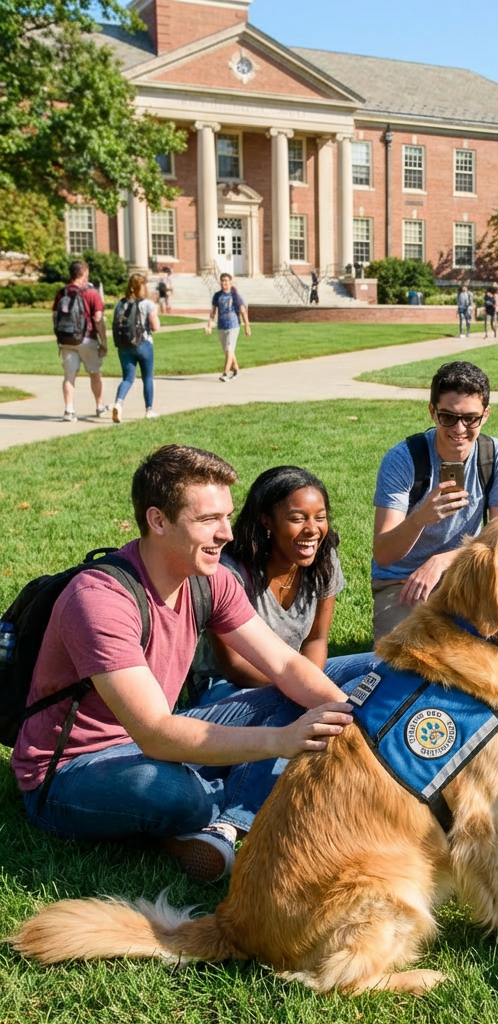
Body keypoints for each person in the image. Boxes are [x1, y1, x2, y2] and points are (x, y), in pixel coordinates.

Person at [11, 445, 361, 881]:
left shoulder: (208, 579)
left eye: (227, 516)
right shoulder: (100, 600)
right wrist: (280, 742)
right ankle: (221, 809)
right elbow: (156, 733)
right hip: (74, 770)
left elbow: (285, 665)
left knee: (352, 674)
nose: (227, 534)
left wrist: (353, 723)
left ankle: (221, 818)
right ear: (158, 520)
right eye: (208, 520)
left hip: (162, 733)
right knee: (176, 794)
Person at [189, 465, 375, 706]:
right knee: (286, 711)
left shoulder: (324, 559)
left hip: (293, 672)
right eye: (297, 519)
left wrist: (310, 685)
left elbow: (316, 639)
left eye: (320, 517)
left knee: (377, 669)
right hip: (228, 685)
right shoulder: (228, 571)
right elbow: (234, 666)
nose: (312, 530)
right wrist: (302, 690)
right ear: (267, 521)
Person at [371, 361, 498, 640]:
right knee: (401, 657)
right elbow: (383, 553)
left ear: (486, 415)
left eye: (471, 418)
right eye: (448, 417)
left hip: (468, 572)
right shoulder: (403, 458)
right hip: (402, 579)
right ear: (432, 411)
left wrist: (443, 561)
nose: (460, 429)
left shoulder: (496, 455)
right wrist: (420, 518)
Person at [52, 259, 109, 422]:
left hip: (66, 340)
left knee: (69, 376)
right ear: (84, 273)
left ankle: (69, 410)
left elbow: (55, 316)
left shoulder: (61, 292)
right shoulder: (91, 293)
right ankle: (99, 406)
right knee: (94, 372)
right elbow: (98, 318)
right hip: (86, 339)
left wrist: (59, 337)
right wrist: (103, 342)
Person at [112, 273, 160, 423]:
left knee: (127, 378)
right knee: (147, 377)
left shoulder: (120, 304)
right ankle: (149, 410)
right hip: (143, 344)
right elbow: (155, 326)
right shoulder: (147, 304)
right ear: (142, 286)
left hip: (124, 346)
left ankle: (118, 404)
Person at [205, 272, 250, 381]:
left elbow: (243, 311)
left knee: (229, 348)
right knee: (227, 350)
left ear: (231, 282)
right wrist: (210, 324)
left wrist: (247, 326)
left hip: (233, 325)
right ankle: (236, 370)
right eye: (222, 280)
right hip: (221, 326)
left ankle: (225, 373)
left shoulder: (236, 295)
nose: (224, 282)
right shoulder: (217, 295)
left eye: (226, 280)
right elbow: (213, 312)